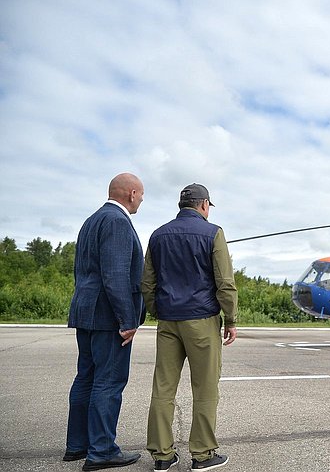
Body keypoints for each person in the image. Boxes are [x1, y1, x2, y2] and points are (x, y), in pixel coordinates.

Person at [142, 183, 237, 472]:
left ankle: (162, 455)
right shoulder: (213, 233)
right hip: (202, 321)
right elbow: (225, 283)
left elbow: (147, 283)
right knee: (205, 388)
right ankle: (203, 454)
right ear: (204, 204)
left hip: (169, 321)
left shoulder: (158, 235)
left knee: (163, 388)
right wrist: (231, 319)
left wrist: (159, 310)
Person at [64, 173, 146, 471]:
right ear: (132, 193)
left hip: (86, 311)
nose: (141, 201)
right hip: (107, 317)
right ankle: (101, 450)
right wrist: (127, 319)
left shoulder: (91, 220)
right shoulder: (116, 221)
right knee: (108, 381)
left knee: (85, 377)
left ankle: (77, 445)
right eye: (141, 196)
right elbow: (115, 275)